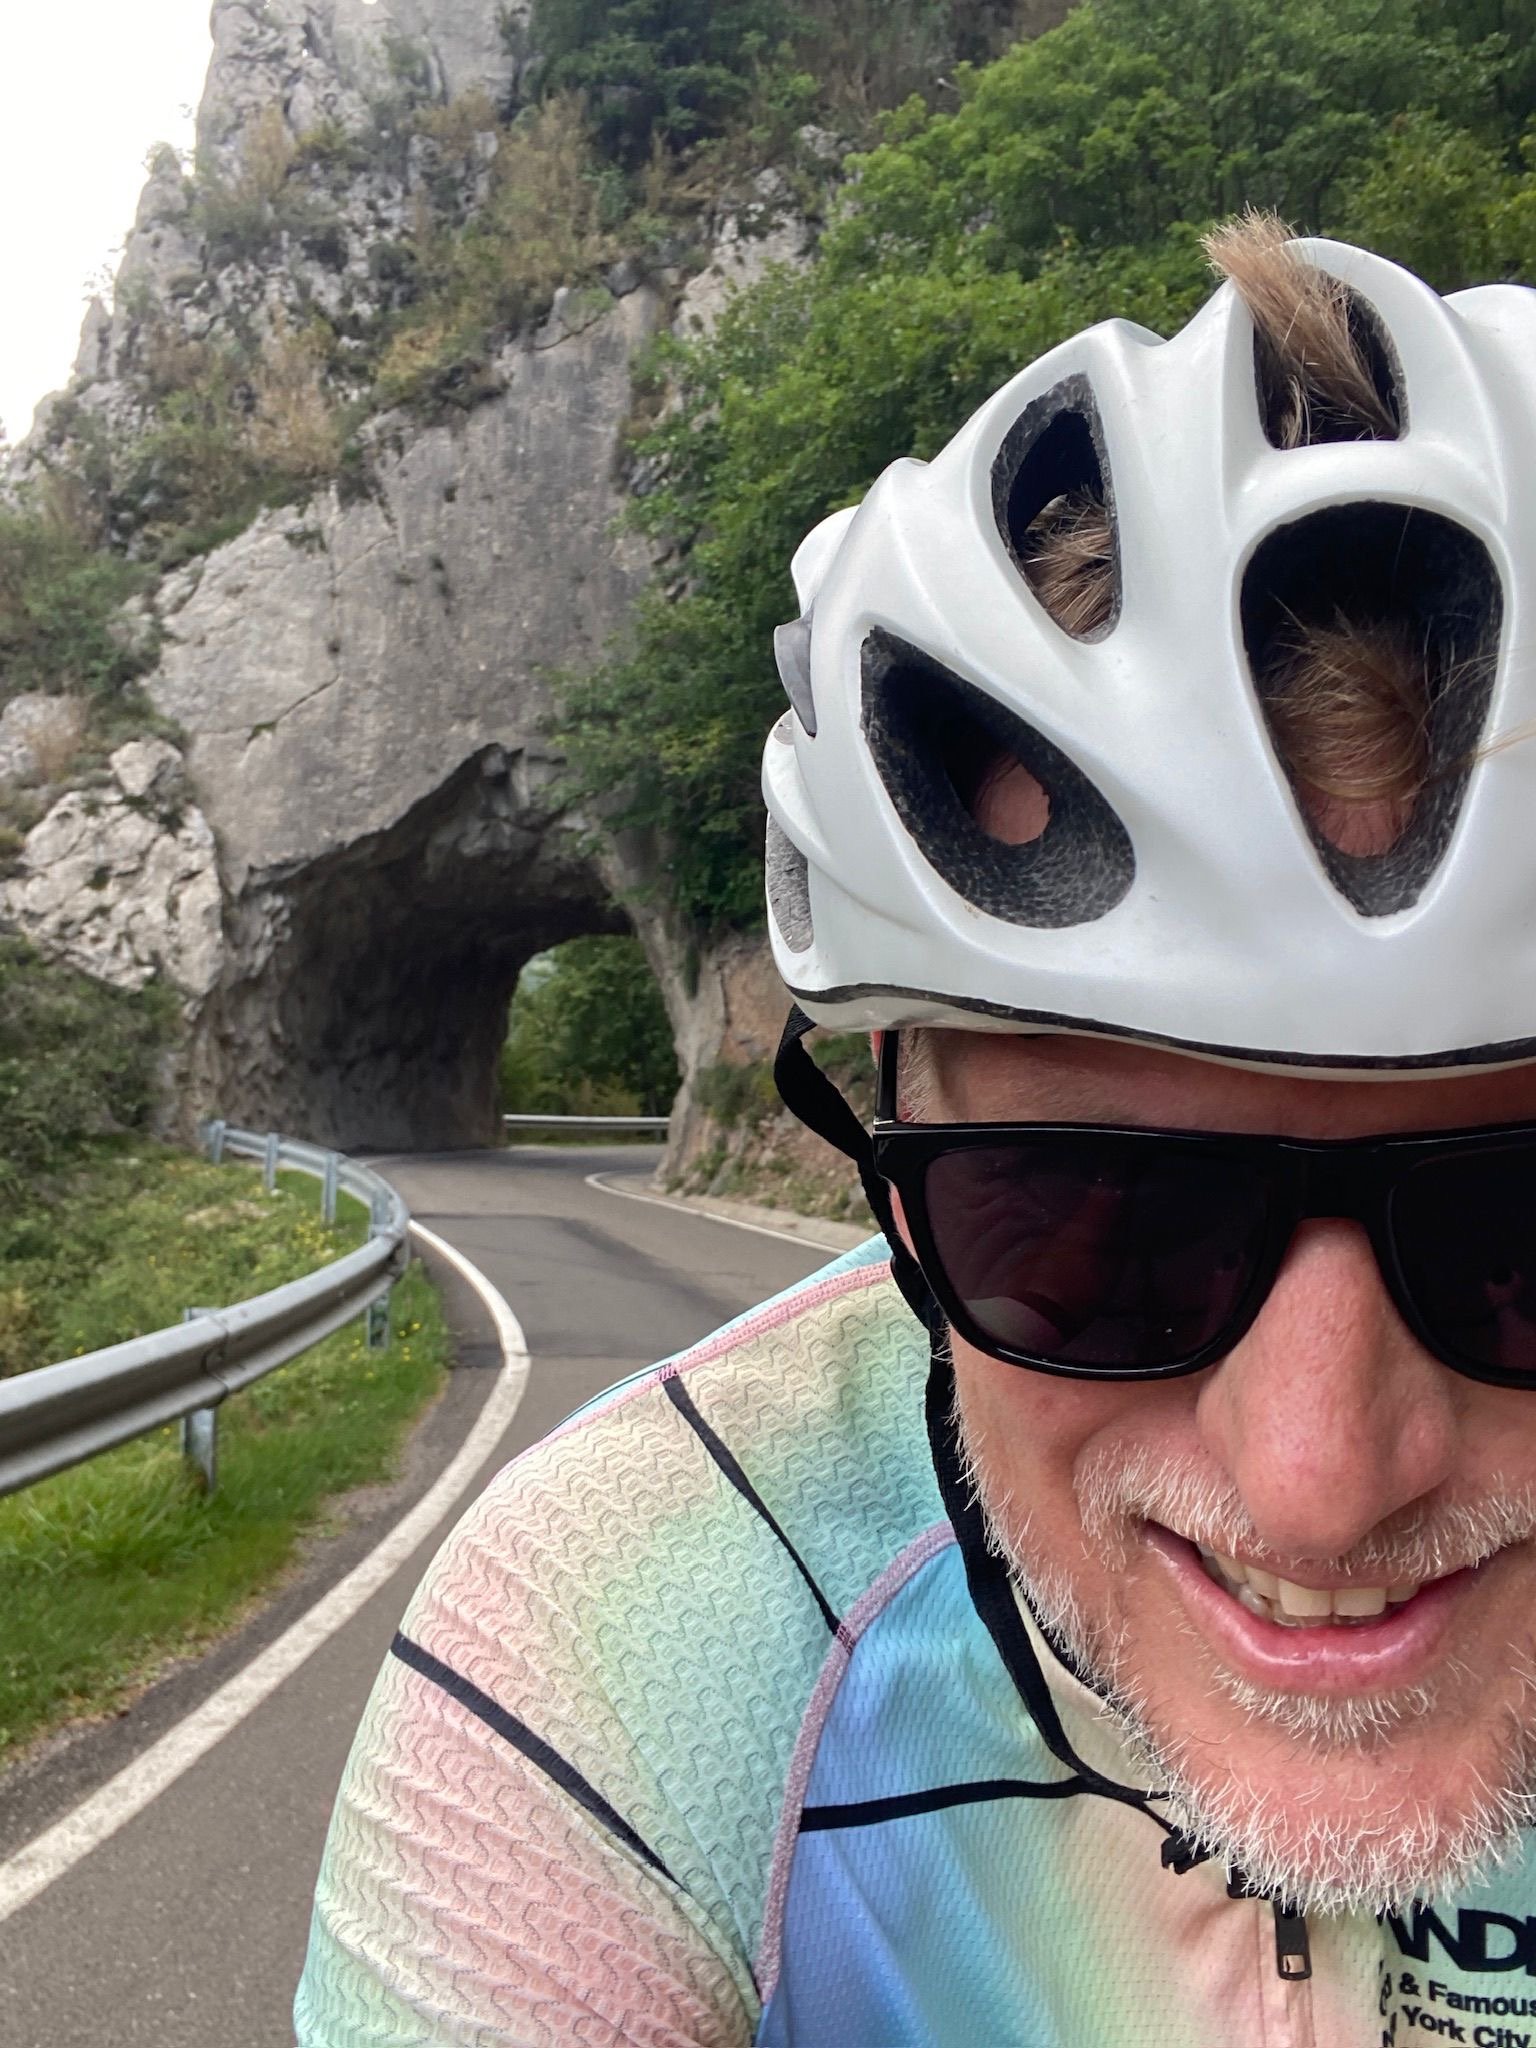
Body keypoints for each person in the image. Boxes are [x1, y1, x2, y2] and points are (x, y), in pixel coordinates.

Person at [294, 215, 1536, 2046]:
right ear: (892, 1158)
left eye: (1520, 1227)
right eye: (1089, 1218)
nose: (1322, 1478)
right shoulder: (637, 1641)